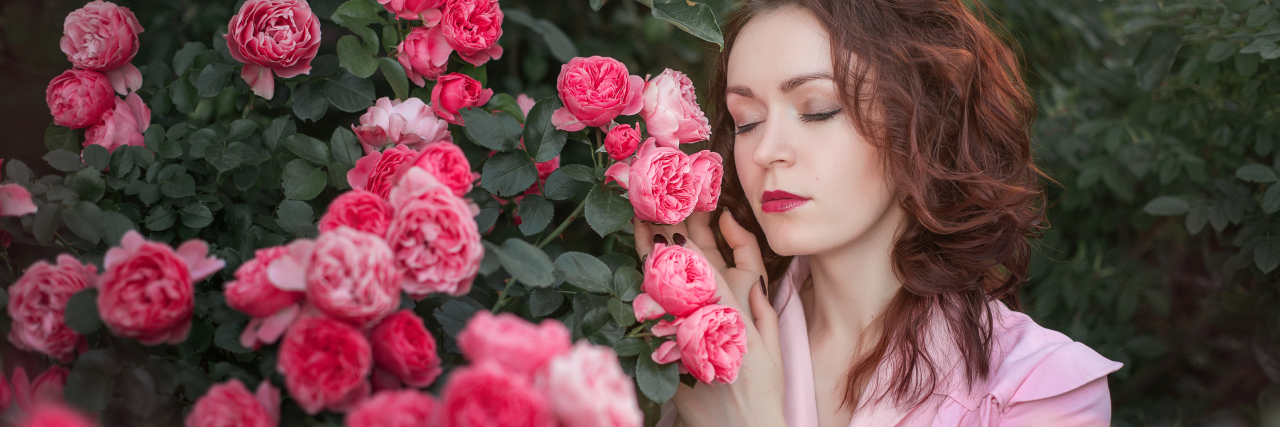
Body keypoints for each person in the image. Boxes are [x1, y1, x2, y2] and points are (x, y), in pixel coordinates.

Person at [632, 0, 1123, 426]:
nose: (767, 151)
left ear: (920, 122)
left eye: (818, 109)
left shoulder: (1038, 387)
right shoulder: (690, 345)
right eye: (748, 121)